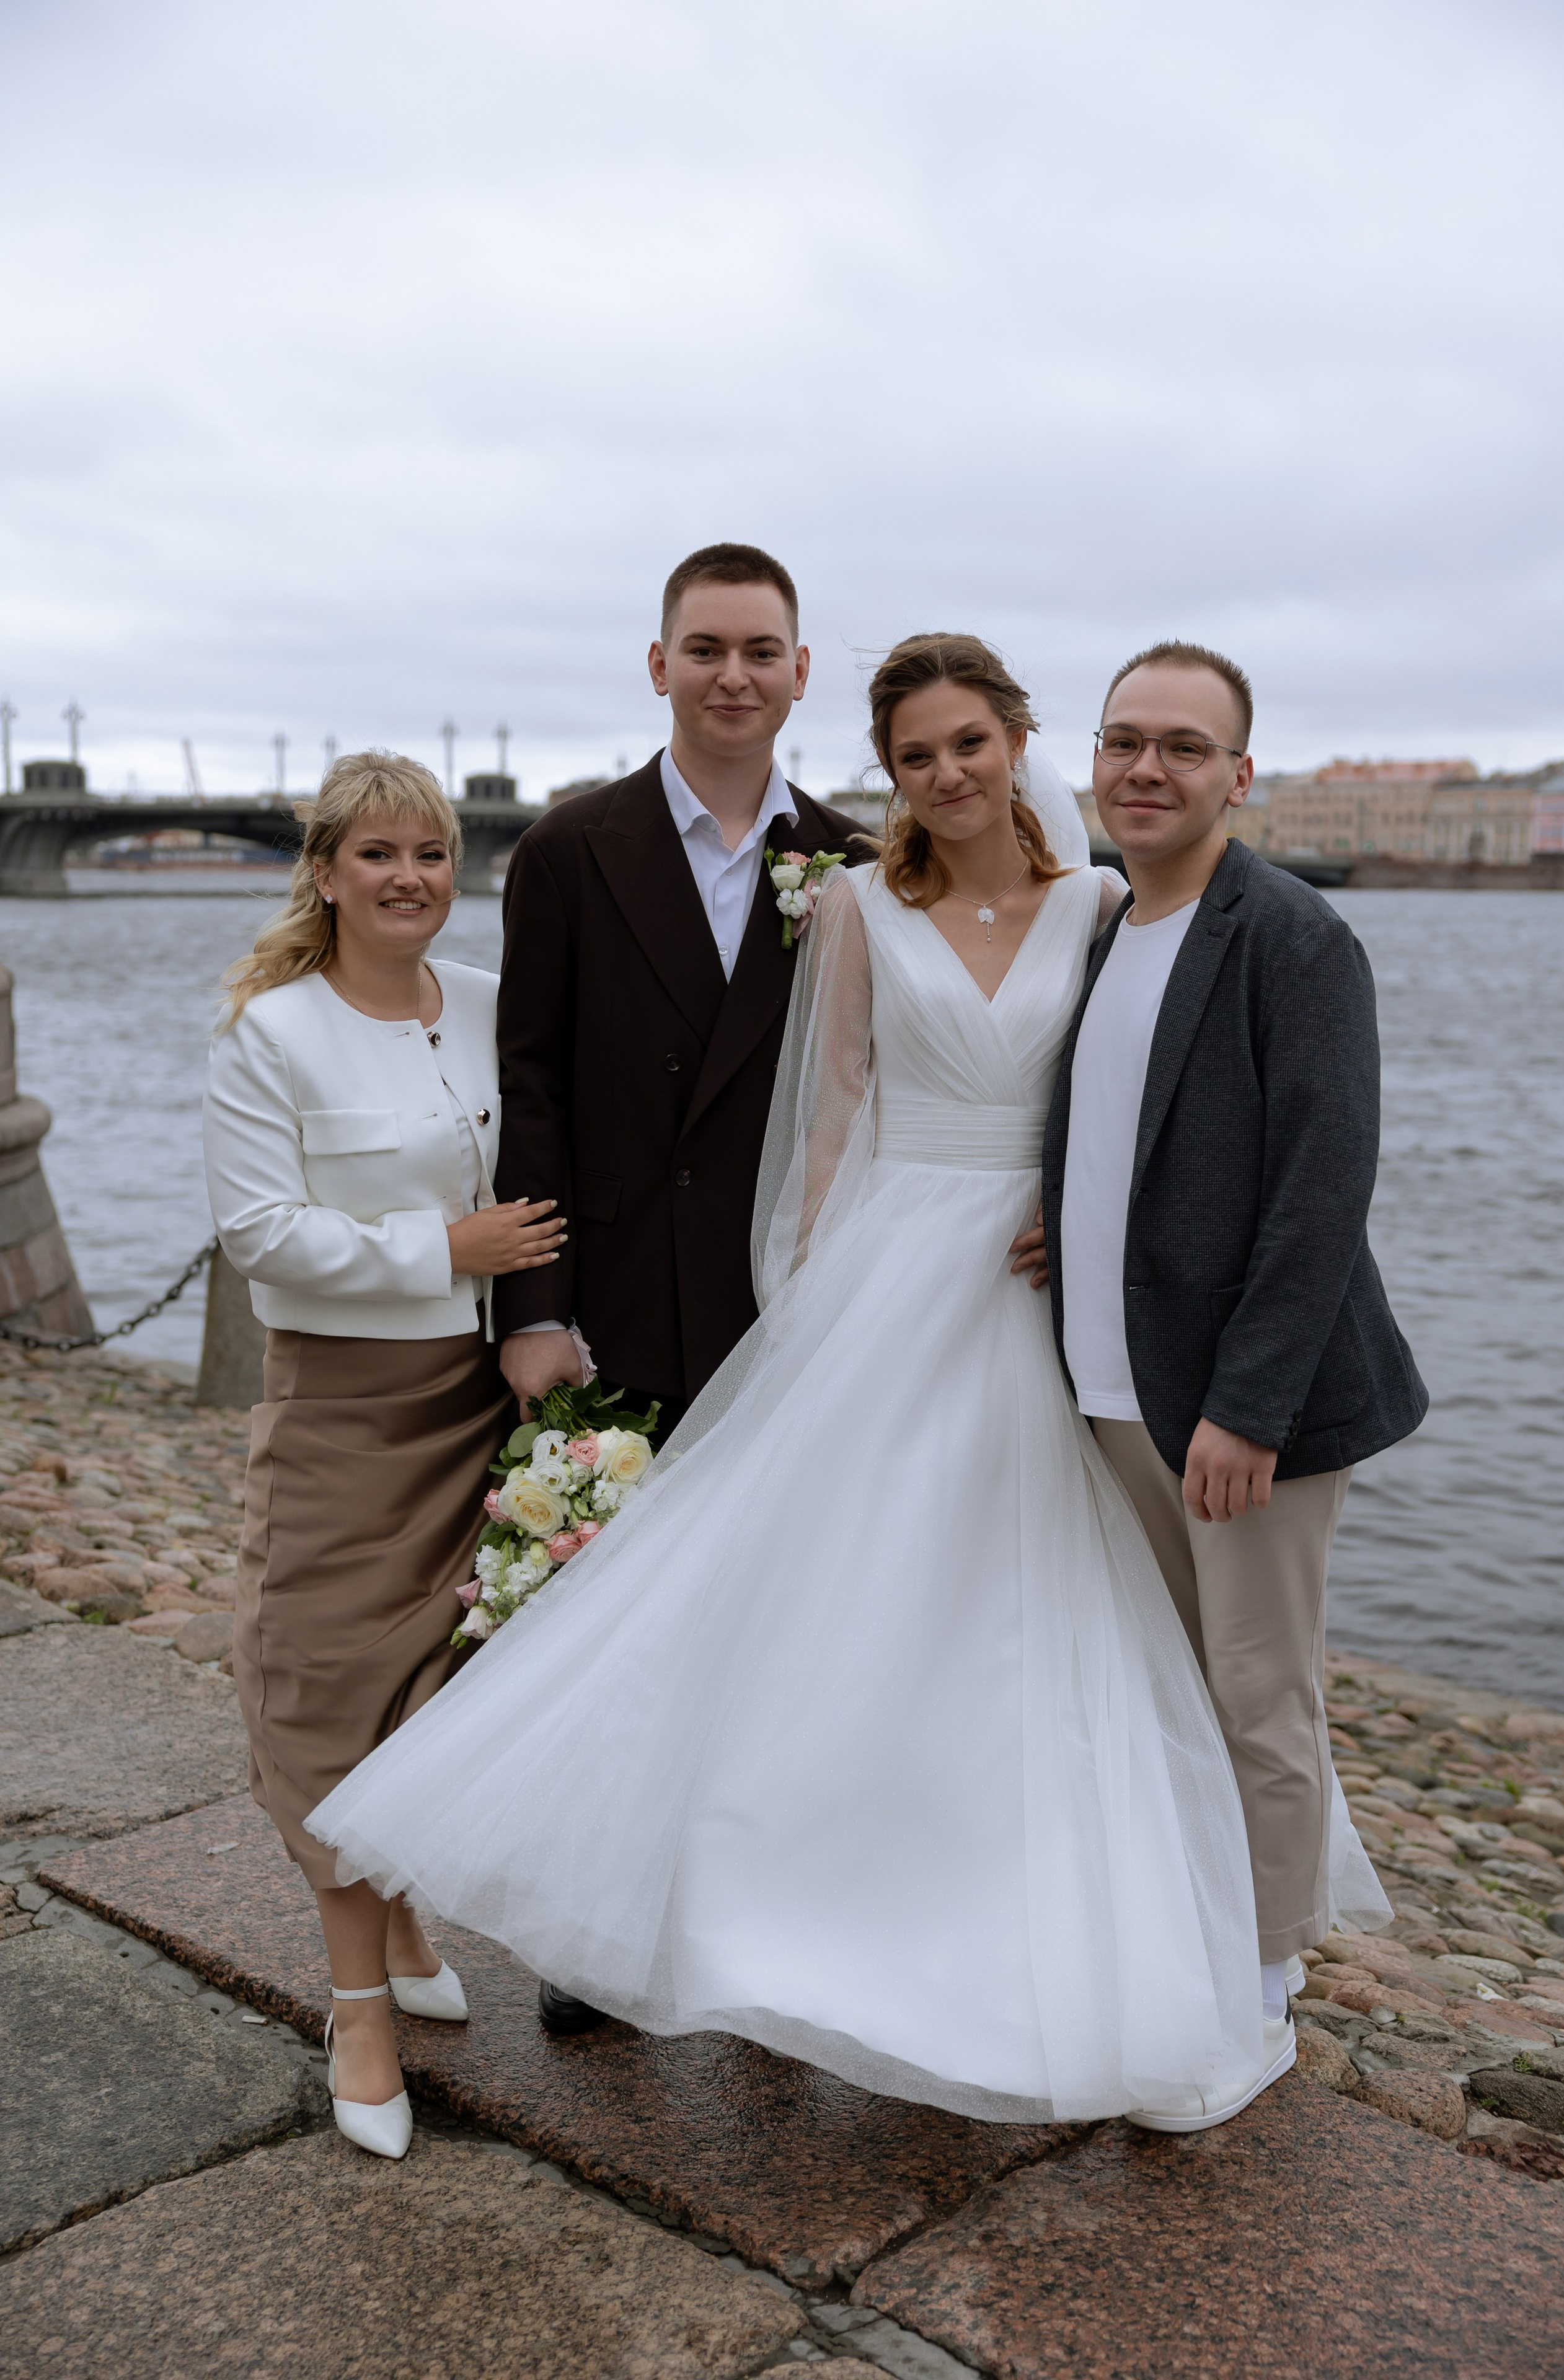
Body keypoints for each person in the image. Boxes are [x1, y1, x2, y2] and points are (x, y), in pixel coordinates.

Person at [308, 636, 1291, 2136]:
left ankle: (997, 1928)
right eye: (914, 756)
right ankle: (772, 1913)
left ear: (1019, 741)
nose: (948, 774)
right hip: (891, 1276)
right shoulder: (851, 906)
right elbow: (825, 1127)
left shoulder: (1098, 906)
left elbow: (1123, 1100)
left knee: (1012, 1616)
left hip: (1030, 1293)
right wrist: (813, 1312)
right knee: (838, 1601)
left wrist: (1072, 1200)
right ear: (887, 774)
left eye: (970, 743)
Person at [1014, 640, 1424, 2034]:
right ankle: (1196, 1922)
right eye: (1124, 739)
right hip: (1115, 1385)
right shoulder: (1103, 928)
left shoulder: (1293, 938)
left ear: (1236, 775)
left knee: (1257, 1694)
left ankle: (1262, 1976)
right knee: (1162, 1683)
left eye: (1182, 747)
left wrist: (1247, 1410)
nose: (1146, 767)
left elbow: (1320, 1192)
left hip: (1242, 1407)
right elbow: (1132, 1136)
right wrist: (1060, 1227)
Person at [203, 752, 565, 2160]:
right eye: (376, 855)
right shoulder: (269, 1033)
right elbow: (259, 1236)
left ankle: (401, 1908)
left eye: (428, 853)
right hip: (346, 1417)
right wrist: (443, 1250)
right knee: (326, 1698)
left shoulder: (485, 1005)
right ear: (326, 871)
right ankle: (359, 2003)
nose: (407, 876)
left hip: (483, 1403)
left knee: (456, 1698)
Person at [492, 540, 867, 1445]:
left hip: (791, 1297)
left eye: (761, 652)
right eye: (704, 650)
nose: (733, 677)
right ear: (660, 666)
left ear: (801, 671)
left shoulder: (858, 865)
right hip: (615, 1299)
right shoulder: (566, 851)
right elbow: (532, 1090)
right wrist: (534, 1314)